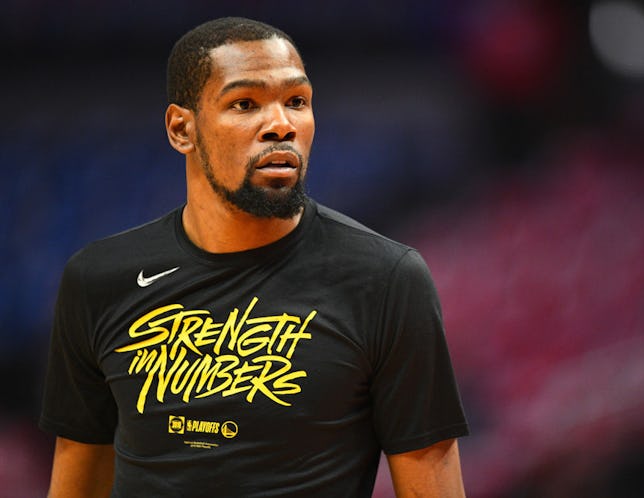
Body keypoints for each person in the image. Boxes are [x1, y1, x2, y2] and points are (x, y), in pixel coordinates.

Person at [39, 16, 469, 497]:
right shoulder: (99, 279)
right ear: (183, 129)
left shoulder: (386, 280)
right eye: (245, 104)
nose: (281, 124)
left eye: (297, 102)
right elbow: (77, 483)